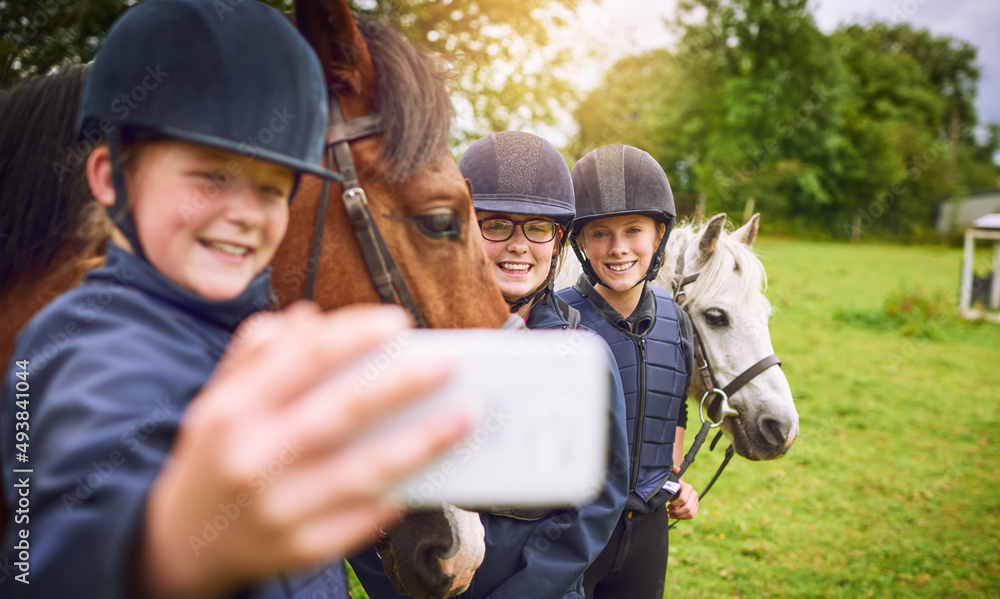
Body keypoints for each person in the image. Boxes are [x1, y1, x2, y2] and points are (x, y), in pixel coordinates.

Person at [0, 1, 471, 597]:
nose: (245, 213)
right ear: (110, 179)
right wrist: (170, 549)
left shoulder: (250, 335)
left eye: (273, 189)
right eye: (209, 176)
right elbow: (56, 552)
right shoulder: (84, 346)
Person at [349, 131, 630, 599]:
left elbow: (599, 499)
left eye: (537, 228)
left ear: (558, 239)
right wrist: (401, 587)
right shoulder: (411, 348)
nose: (519, 244)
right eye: (497, 224)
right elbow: (361, 485)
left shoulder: (583, 355)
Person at [556, 144, 700, 598]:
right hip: (572, 533)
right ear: (579, 240)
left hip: (648, 535)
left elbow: (672, 411)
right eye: (600, 233)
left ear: (659, 236)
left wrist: (675, 482)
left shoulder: (676, 321)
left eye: (633, 230)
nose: (618, 248)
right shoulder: (556, 321)